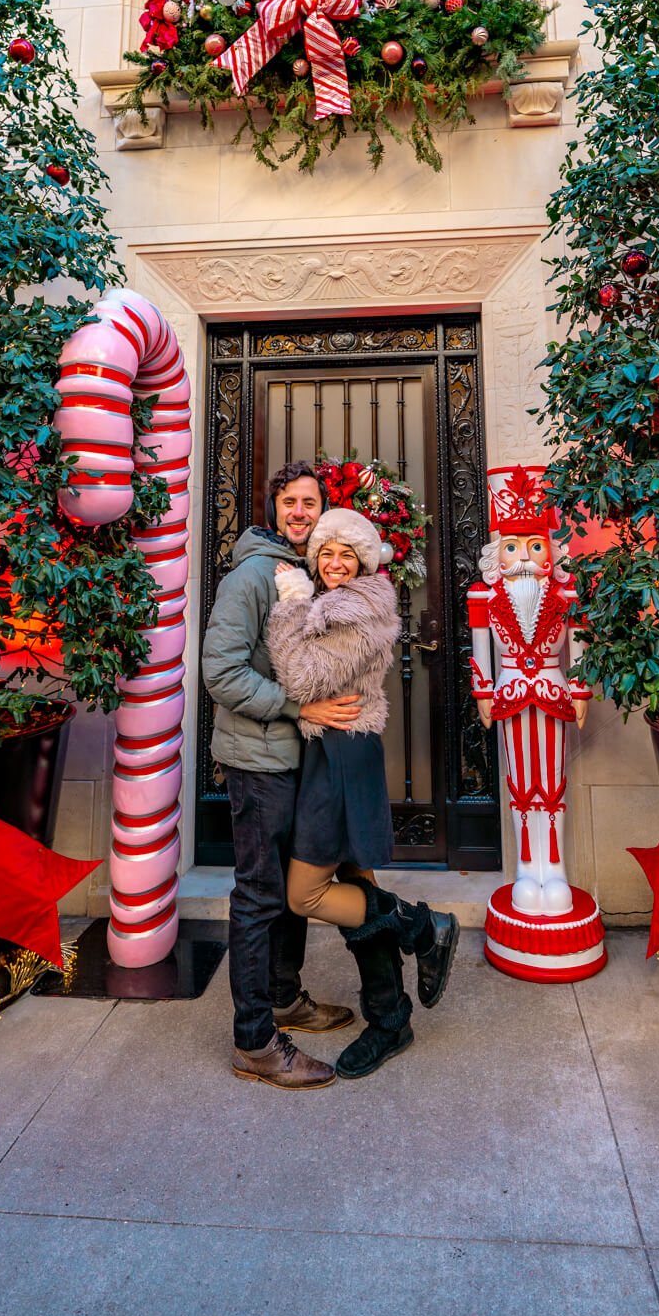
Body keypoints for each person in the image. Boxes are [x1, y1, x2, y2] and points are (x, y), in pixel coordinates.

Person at [266, 504, 459, 1079]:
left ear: (365, 560)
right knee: (355, 886)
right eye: (326, 552)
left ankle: (422, 925)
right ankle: (390, 1019)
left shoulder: (360, 608)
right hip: (334, 748)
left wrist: (292, 606)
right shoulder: (336, 604)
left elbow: (300, 677)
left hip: (344, 752)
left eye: (347, 553)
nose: (334, 563)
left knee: (306, 895)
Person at [202, 459, 362, 1090]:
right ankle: (255, 1041)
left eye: (310, 502)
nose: (300, 511)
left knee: (294, 887)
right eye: (290, 502)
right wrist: (300, 708)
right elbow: (222, 672)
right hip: (258, 762)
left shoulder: (308, 573)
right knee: (260, 897)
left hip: (297, 759)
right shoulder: (252, 576)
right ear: (273, 511)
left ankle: (284, 998)